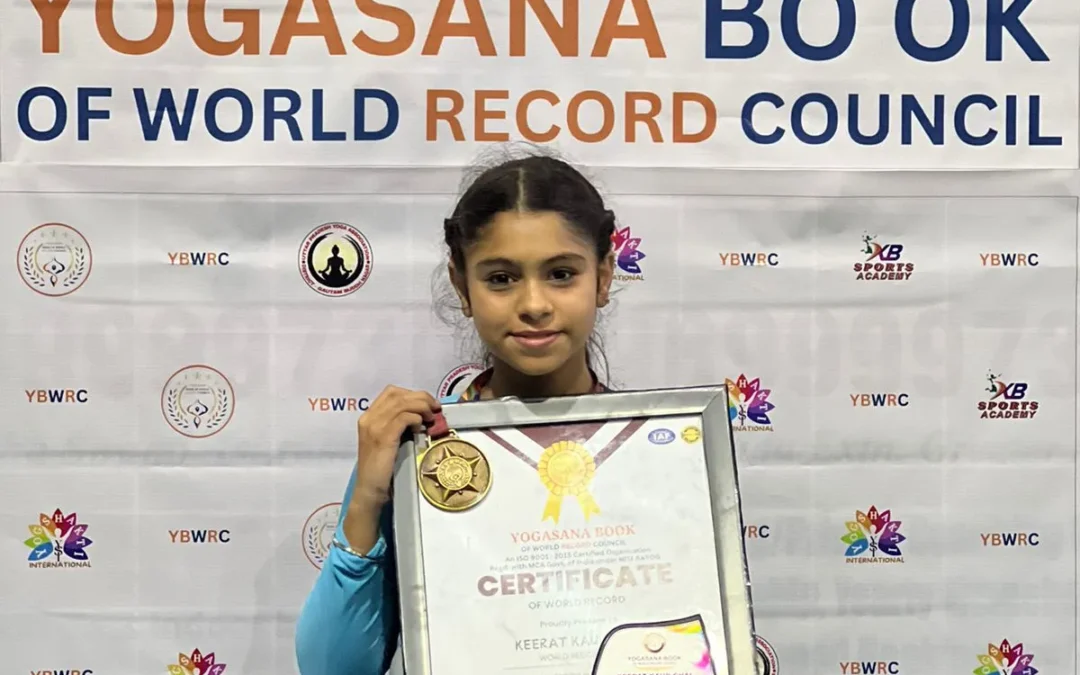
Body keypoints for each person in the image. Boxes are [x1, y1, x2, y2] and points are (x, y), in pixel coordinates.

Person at [294, 150, 618, 675]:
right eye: (501, 278)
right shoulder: (415, 452)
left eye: (561, 274)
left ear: (602, 277)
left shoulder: (660, 449)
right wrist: (369, 499)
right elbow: (333, 669)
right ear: (462, 285)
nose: (534, 304)